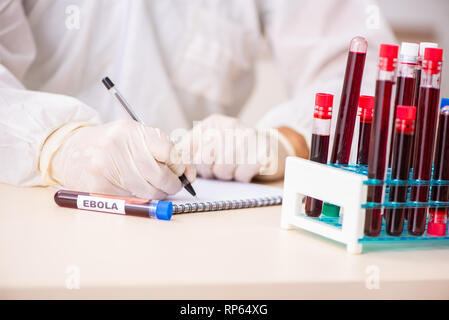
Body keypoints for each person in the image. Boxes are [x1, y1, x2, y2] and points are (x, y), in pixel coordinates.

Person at [0, 0, 395, 199]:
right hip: (34, 207)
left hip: (190, 223)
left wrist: (288, 140)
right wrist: (53, 143)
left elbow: (364, 65)